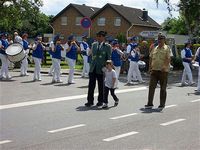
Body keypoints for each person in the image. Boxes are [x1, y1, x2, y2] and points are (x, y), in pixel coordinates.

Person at [85, 31, 112, 107]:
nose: (99, 38)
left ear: (104, 37)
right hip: (93, 68)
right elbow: (91, 54)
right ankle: (90, 101)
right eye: (98, 36)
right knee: (91, 85)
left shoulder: (107, 46)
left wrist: (107, 68)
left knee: (101, 86)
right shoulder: (94, 45)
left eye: (100, 36)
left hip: (101, 68)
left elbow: (109, 58)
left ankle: (100, 100)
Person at [145, 33, 171, 110]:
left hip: (163, 71)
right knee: (151, 87)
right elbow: (150, 58)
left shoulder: (167, 48)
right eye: (159, 39)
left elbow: (168, 58)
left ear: (164, 40)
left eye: (161, 39)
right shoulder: (155, 48)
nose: (159, 41)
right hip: (154, 71)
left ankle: (162, 104)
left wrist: (164, 66)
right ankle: (150, 103)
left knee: (163, 88)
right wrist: (149, 68)